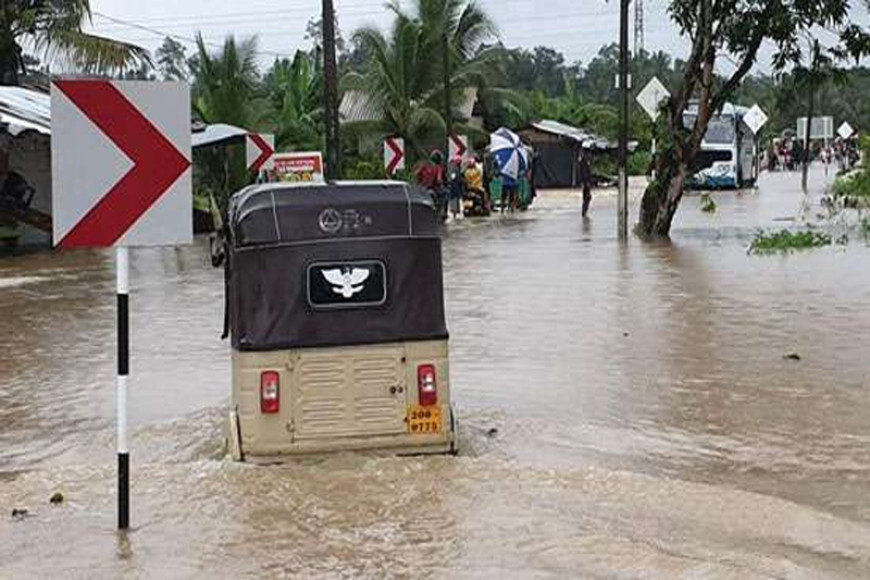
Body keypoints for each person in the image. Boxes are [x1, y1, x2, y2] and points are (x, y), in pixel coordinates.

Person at [578, 151, 593, 217]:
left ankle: (584, 210)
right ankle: (584, 211)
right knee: (587, 196)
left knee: (586, 196)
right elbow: (584, 173)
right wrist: (586, 182)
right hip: (585, 181)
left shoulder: (585, 162)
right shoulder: (584, 163)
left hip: (586, 181)